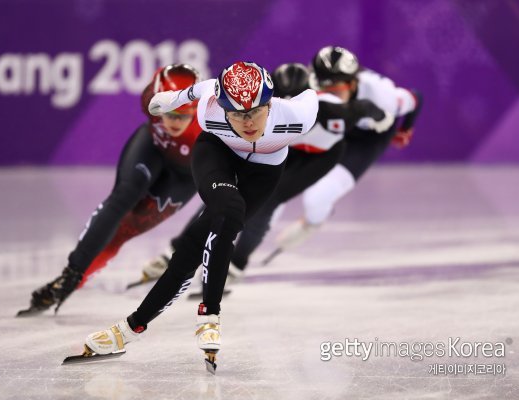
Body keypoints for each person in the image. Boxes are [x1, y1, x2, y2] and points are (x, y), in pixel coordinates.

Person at [77, 61, 318, 373]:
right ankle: (210, 316)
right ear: (222, 108)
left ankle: (128, 329)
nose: (246, 122)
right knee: (229, 208)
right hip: (216, 152)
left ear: (270, 103)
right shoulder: (209, 109)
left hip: (265, 168)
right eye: (236, 113)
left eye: (254, 112)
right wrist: (173, 99)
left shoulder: (300, 115)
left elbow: (331, 104)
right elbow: (197, 90)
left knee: (193, 245)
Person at [134, 58, 397, 290]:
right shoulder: (260, 102)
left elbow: (362, 107)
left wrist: (382, 118)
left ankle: (236, 263)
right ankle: (177, 249)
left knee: (268, 201)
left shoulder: (324, 107)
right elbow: (210, 89)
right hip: (284, 146)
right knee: (223, 192)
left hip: (320, 156)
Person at [17, 64, 202, 316]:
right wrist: (76, 268)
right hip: (152, 148)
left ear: (195, 110)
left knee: (123, 232)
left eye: (183, 116)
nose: (174, 122)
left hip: (184, 176)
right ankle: (70, 276)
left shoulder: (209, 125)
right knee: (121, 198)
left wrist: (184, 244)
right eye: (167, 114)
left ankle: (77, 279)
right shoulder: (149, 98)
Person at [272, 46, 422, 260]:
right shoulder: (311, 85)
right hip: (340, 130)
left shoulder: (382, 95)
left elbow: (416, 98)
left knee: (317, 197)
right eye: (322, 87)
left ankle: (311, 223)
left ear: (353, 84)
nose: (328, 96)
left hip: (368, 139)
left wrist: (405, 129)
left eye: (334, 90)